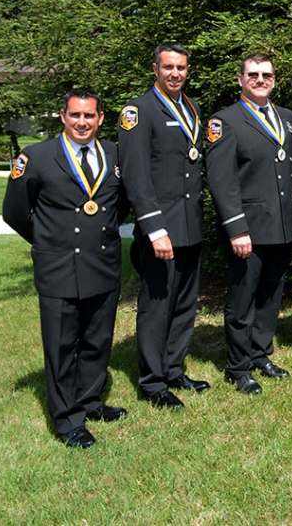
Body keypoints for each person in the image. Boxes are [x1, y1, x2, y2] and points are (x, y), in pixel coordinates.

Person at [4, 89, 128, 448]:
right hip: (58, 266)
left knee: (97, 339)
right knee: (60, 345)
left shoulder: (115, 154)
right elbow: (14, 213)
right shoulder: (37, 157)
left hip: (102, 261)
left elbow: (122, 204)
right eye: (75, 115)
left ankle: (89, 401)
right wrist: (48, 244)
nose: (82, 122)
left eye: (89, 116)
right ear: (63, 116)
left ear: (100, 119)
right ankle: (67, 420)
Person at [119, 42, 209, 409]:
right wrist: (155, 229)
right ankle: (152, 380)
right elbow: (136, 177)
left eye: (182, 67)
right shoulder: (139, 111)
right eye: (169, 67)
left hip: (190, 225)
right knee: (157, 305)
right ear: (155, 68)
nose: (176, 73)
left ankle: (173, 369)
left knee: (185, 303)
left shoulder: (191, 107)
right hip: (162, 228)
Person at [205, 53, 292, 394]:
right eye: (254, 74)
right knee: (242, 300)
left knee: (271, 295)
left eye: (267, 74)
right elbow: (221, 180)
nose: (261, 80)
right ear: (240, 79)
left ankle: (261, 354)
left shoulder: (285, 117)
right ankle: (238, 367)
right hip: (248, 229)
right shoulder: (224, 121)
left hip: (281, 226)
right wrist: (236, 228)